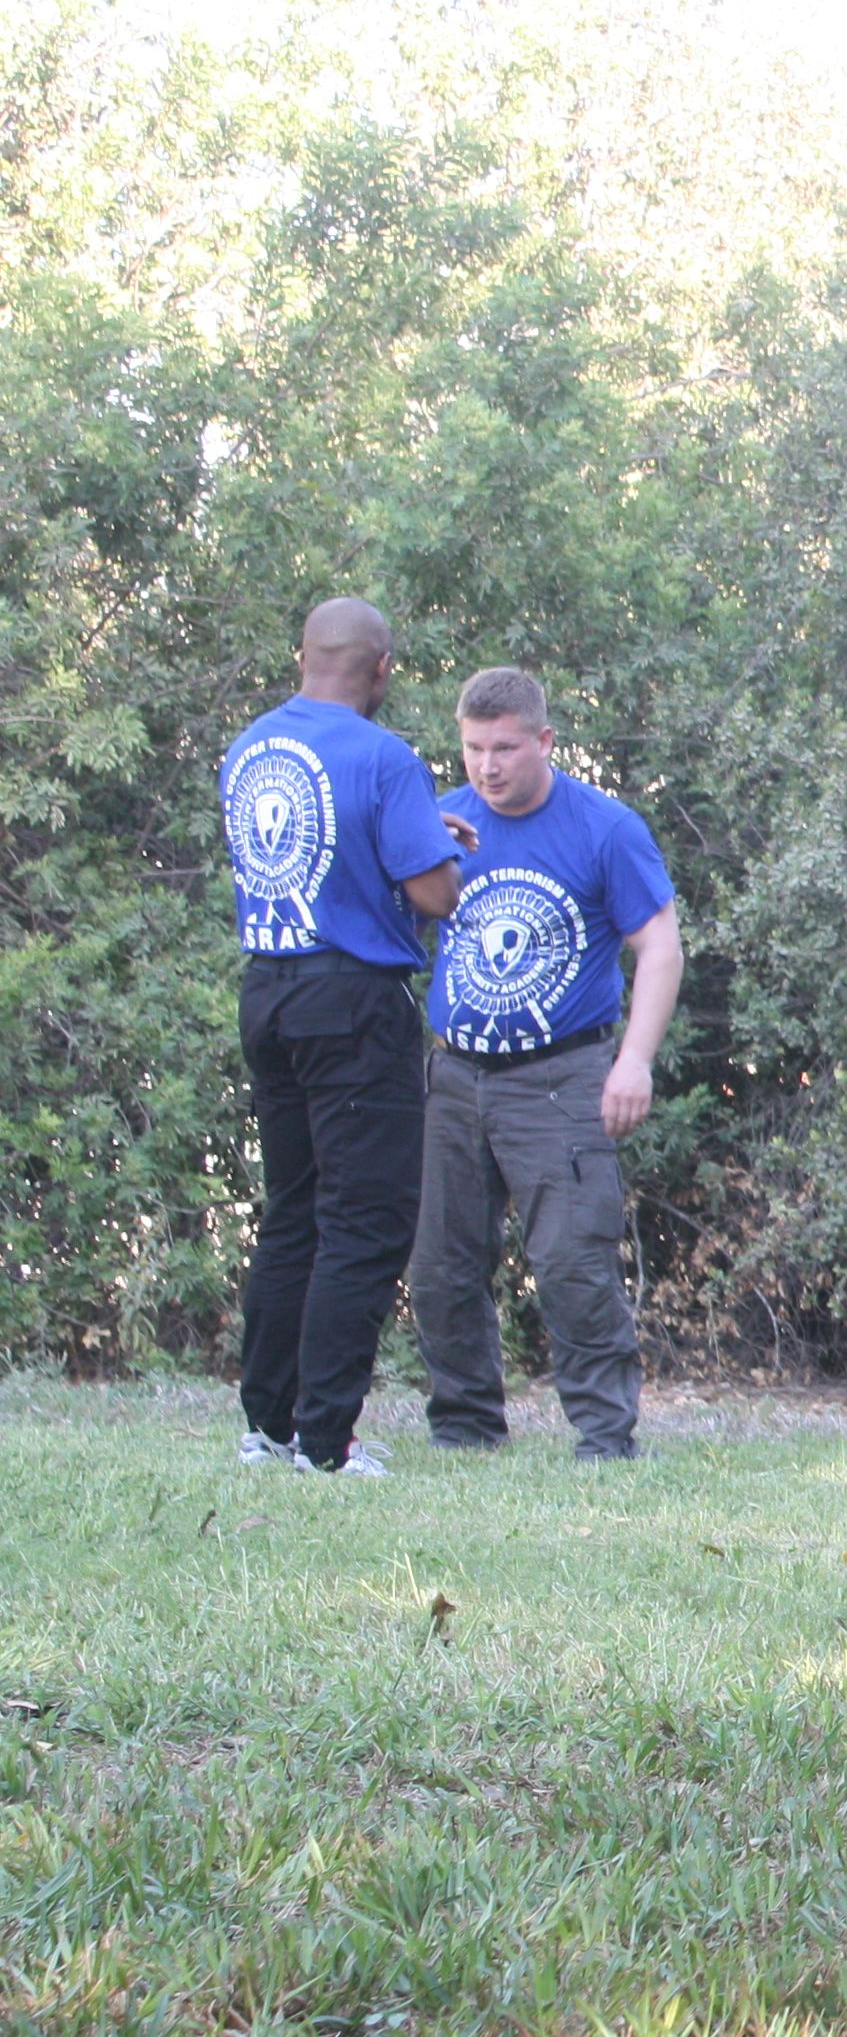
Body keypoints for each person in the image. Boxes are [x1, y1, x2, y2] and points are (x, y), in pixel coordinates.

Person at [407, 668, 683, 1461]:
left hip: (563, 1077)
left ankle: (604, 1437)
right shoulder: (443, 823)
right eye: (471, 749)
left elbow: (659, 947)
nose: (486, 767)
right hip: (454, 1076)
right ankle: (464, 1428)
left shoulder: (603, 827)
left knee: (571, 1260)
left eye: (503, 749)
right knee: (440, 1265)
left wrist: (634, 1061)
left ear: (545, 742)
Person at [220, 597, 460, 1478]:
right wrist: (443, 857)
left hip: (269, 993)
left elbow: (325, 851)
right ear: (384, 669)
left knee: (293, 1215)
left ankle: (267, 1427)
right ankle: (325, 1443)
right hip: (353, 1004)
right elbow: (433, 896)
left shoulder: (251, 747)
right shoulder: (386, 756)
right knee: (363, 1221)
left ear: (303, 658)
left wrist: (425, 837)